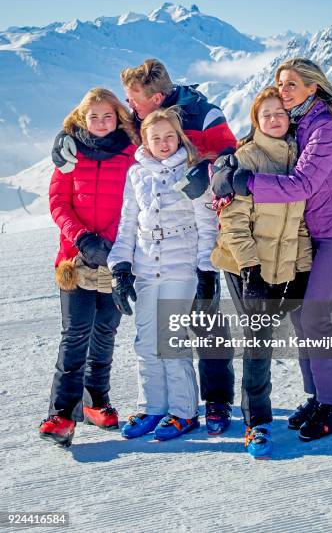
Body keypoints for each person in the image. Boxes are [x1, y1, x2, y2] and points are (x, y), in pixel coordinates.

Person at [52, 59, 237, 435]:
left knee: (201, 326)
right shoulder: (141, 128)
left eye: (133, 100)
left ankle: (212, 402)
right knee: (149, 339)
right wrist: (66, 137)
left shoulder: (205, 114)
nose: (129, 107)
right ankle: (156, 406)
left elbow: (231, 155)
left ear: (155, 99)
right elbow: (106, 132)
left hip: (196, 245)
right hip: (149, 258)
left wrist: (211, 169)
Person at [212, 58, 332, 442]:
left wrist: (244, 182)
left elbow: (301, 184)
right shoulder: (302, 121)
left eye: (291, 85)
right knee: (304, 319)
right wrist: (227, 161)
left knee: (315, 317)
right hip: (319, 232)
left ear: (312, 87)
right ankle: (319, 397)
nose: (283, 92)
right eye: (280, 84)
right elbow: (267, 143)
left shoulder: (327, 128)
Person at [211, 87, 312, 458]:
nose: (274, 119)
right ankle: (257, 423)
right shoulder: (246, 158)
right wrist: (251, 270)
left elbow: (300, 224)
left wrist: (301, 271)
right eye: (265, 114)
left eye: (279, 113)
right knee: (259, 339)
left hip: (280, 266)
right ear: (256, 120)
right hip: (244, 266)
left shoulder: (299, 160)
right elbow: (232, 223)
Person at [107, 107, 219, 441]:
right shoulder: (136, 175)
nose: (164, 143)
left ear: (179, 136)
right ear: (145, 141)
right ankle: (153, 406)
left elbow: (206, 223)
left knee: (171, 341)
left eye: (170, 135)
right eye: (156, 138)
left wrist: (206, 271)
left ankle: (183, 412)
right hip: (145, 267)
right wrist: (121, 267)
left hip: (180, 266)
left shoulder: (191, 171)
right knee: (145, 341)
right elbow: (127, 222)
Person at [39, 89, 139, 447]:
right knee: (75, 333)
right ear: (82, 118)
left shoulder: (131, 153)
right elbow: (58, 202)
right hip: (75, 258)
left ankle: (97, 400)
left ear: (118, 117)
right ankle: (62, 413)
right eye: (92, 116)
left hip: (115, 255)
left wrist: (111, 244)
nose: (100, 123)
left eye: (107, 116)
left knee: (105, 331)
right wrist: (83, 238)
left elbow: (134, 203)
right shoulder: (69, 153)